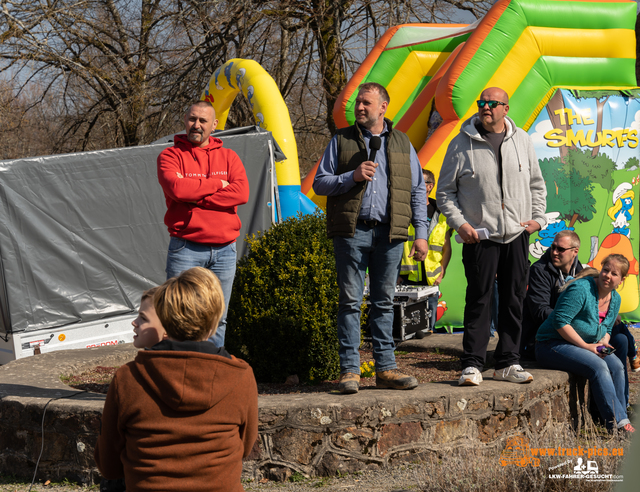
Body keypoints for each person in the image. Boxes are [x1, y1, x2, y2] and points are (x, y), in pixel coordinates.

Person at [95, 267, 259, 491]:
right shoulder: (241, 375)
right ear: (213, 322)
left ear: (165, 317)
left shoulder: (128, 378)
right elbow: (245, 448)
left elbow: (109, 466)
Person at [313, 82, 429, 394]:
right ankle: (350, 371)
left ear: (383, 108)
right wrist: (351, 176)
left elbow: (417, 191)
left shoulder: (403, 143)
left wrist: (421, 234)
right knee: (350, 302)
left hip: (390, 234)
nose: (360, 108)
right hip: (352, 232)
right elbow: (319, 184)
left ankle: (386, 370)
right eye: (357, 104)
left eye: (366, 103)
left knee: (384, 303)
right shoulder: (341, 140)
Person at [436, 87, 547, 386]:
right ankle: (472, 364)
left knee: (514, 299)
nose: (486, 108)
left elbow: (537, 183)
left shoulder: (522, 140)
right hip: (478, 237)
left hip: (516, 233)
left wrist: (537, 219)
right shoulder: (460, 144)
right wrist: (460, 224)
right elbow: (445, 193)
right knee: (479, 299)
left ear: (506, 108)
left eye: (493, 104)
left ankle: (508, 362)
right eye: (482, 102)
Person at [157, 101, 249, 348]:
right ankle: (179, 373)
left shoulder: (229, 157)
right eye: (192, 119)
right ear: (185, 119)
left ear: (215, 125)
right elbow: (176, 188)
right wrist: (218, 185)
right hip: (186, 248)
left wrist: (194, 196)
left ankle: (213, 372)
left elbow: (241, 193)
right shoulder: (170, 155)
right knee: (177, 315)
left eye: (203, 121)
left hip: (225, 250)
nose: (196, 125)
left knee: (218, 318)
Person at [535, 255, 634, 433]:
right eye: (605, 270)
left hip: (587, 344)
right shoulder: (581, 288)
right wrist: (587, 347)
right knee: (599, 366)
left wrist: (603, 342)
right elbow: (560, 321)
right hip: (551, 344)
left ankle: (619, 415)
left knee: (617, 365)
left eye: (614, 273)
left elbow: (607, 328)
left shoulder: (615, 299)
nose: (607, 275)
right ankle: (619, 425)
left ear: (621, 280)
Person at [399, 169, 452, 333]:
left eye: (419, 182)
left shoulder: (441, 212)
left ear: (430, 187)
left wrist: (442, 271)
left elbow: (446, 247)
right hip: (407, 278)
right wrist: (396, 275)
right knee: (406, 325)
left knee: (429, 328)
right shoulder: (403, 210)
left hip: (431, 278)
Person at [520, 230, 583, 360]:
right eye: (553, 247)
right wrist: (572, 325)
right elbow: (540, 312)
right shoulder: (539, 270)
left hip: (566, 334)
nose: (554, 252)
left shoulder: (579, 270)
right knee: (597, 364)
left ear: (575, 251)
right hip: (541, 339)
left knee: (620, 339)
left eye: (560, 249)